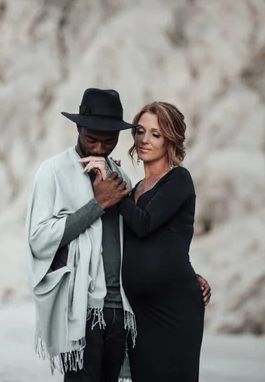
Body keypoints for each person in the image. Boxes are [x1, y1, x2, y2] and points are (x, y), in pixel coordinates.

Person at [25, 89, 211, 382]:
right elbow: (38, 238)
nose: (99, 148)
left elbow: (142, 236)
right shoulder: (53, 172)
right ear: (78, 128)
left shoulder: (122, 179)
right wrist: (97, 204)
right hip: (82, 310)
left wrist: (184, 272)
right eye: (92, 139)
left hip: (123, 313)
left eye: (109, 141)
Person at [97, 101, 206, 381]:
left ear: (171, 139)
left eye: (155, 134)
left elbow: (145, 224)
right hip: (140, 309)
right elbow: (153, 243)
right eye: (140, 131)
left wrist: (113, 187)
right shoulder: (134, 189)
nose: (145, 140)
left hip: (174, 306)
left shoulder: (179, 179)